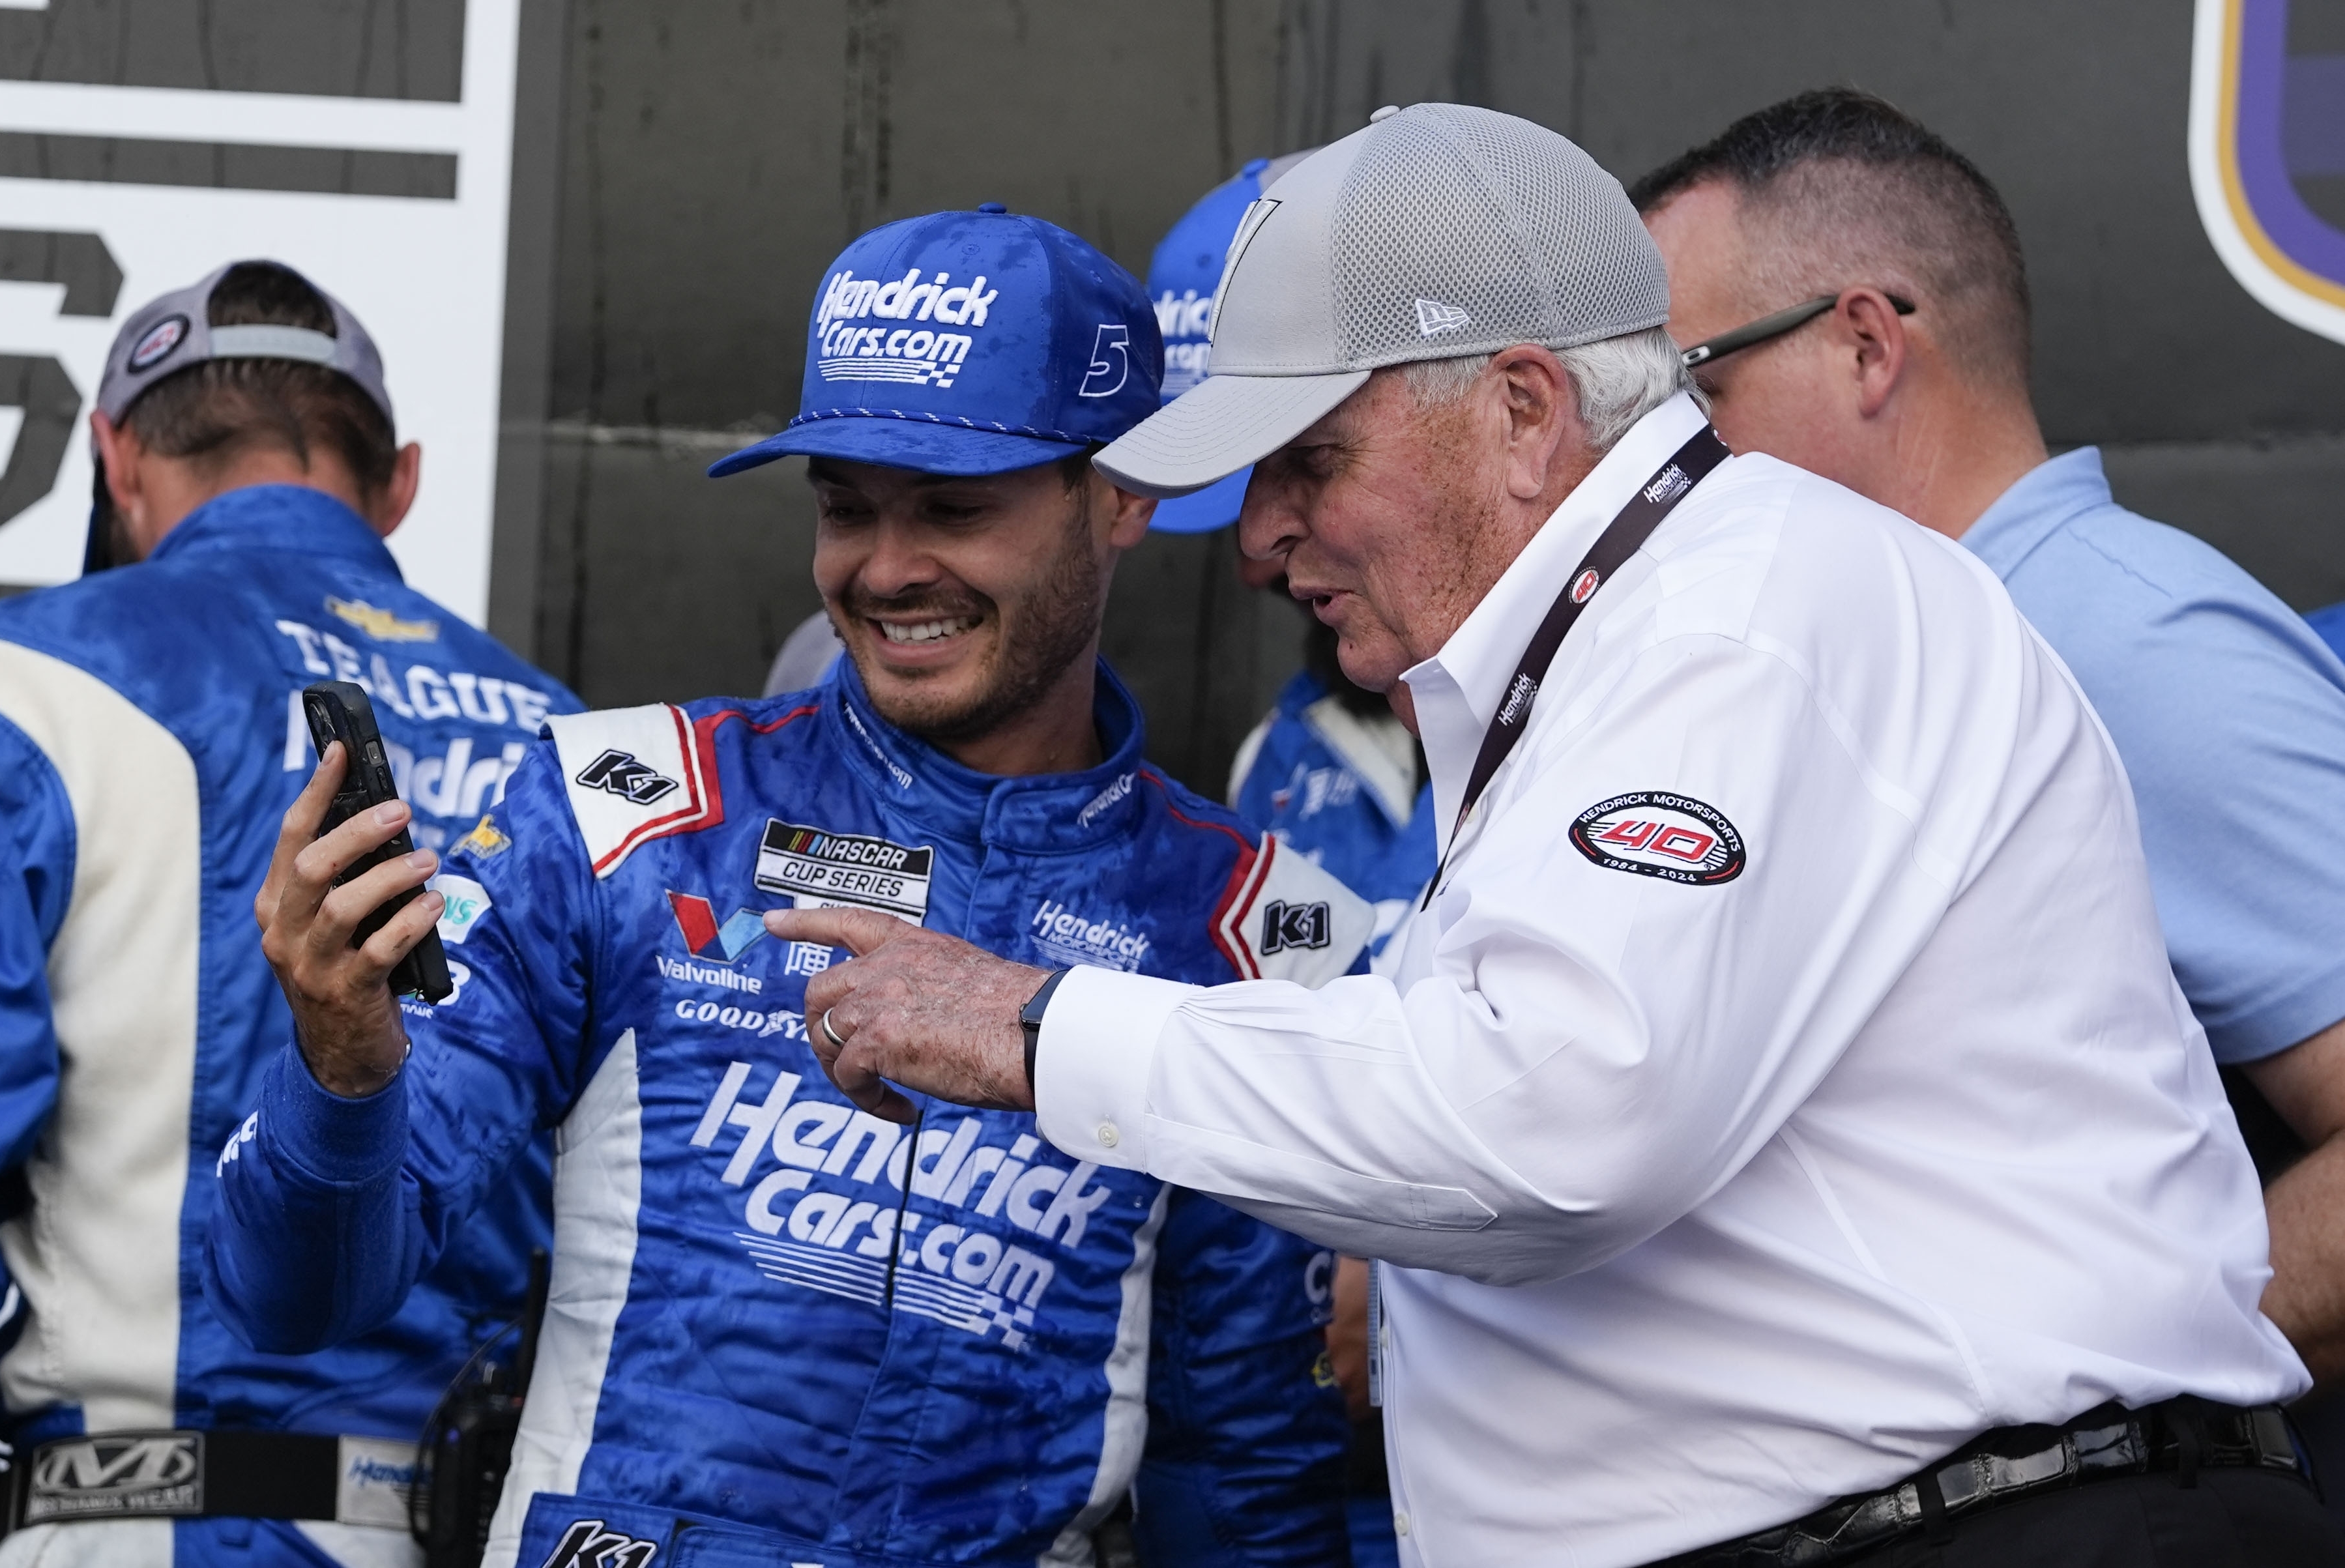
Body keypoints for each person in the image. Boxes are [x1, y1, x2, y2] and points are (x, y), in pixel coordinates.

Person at [754, 103, 2343, 1566]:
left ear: (1522, 412)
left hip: (1984, 1530)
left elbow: (1551, 1119)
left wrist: (1037, 1026)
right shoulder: (1633, 637)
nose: (1258, 539)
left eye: (1308, 461)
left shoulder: (1732, 614)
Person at [210, 207, 1367, 1567]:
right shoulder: (625, 814)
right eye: (844, 506)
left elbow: (1244, 1483)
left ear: (1122, 494)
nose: (885, 568)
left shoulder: (1250, 933)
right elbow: (295, 1297)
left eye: (953, 507)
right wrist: (342, 1067)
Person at [1628, 87, 2345, 1455]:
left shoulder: (2122, 645)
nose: (1658, 467)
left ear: (1863, 347)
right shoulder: (1925, 654)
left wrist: (2083, 1414)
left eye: (1694, 391)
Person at [0, 260, 576, 1566]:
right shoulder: (574, 746)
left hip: (124, 1515)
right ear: (401, 483)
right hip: (470, 1527)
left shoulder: (26, 685)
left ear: (115, 459)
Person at [1150, 154, 1423, 1568]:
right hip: (1312, 1459)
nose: (1255, 547)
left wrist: (1404, 1236)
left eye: (1299, 461)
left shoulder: (1660, 700)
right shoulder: (1280, 754)